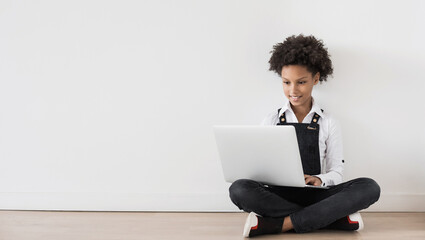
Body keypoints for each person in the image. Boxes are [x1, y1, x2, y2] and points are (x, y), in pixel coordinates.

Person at [228, 34, 381, 238]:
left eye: (301, 82)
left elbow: (336, 171)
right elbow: (258, 169)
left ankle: (277, 224)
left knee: (369, 187)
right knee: (239, 189)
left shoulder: (329, 122)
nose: (293, 90)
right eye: (286, 82)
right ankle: (331, 219)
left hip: (316, 196)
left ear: (315, 79)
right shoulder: (271, 119)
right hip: (278, 194)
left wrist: (319, 179)